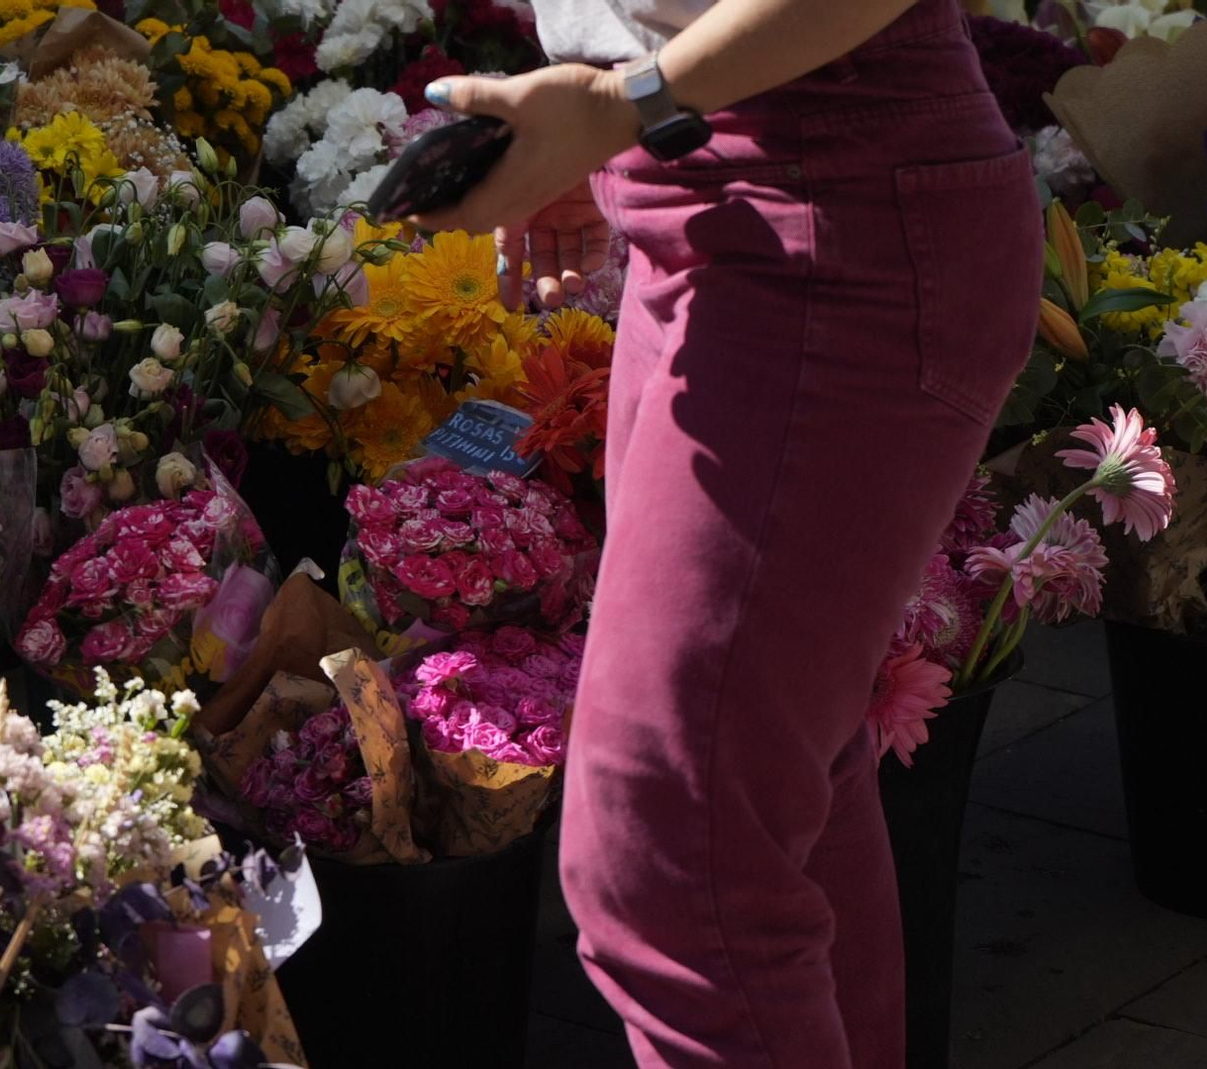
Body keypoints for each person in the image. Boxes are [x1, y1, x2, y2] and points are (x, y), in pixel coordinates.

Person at [408, 1, 1044, 1065]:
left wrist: (628, 103)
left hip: (827, 210)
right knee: (759, 801)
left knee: (671, 847)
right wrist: (597, 117)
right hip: (721, 207)